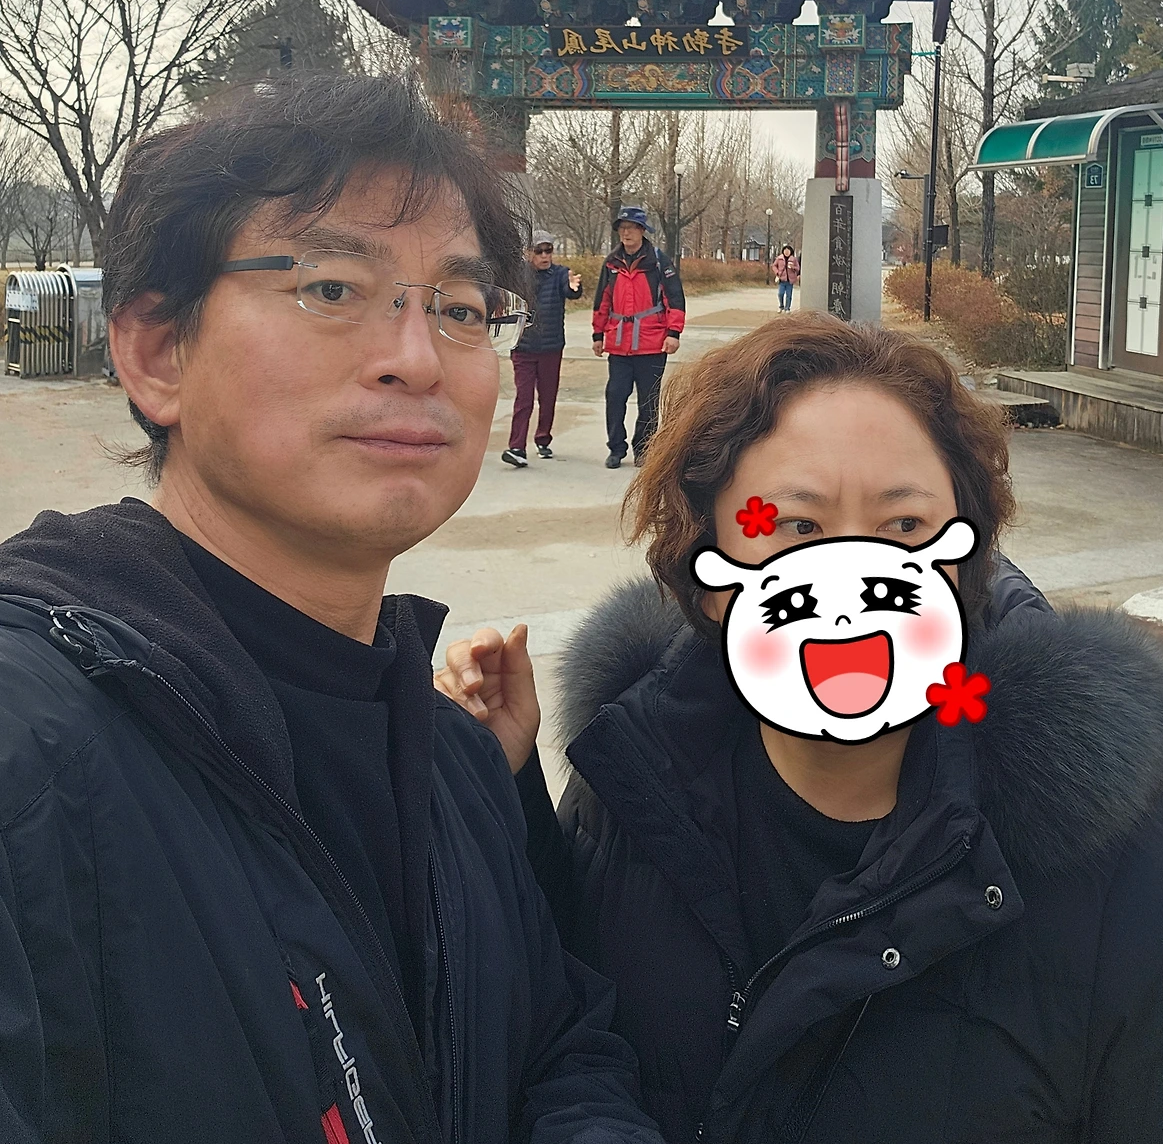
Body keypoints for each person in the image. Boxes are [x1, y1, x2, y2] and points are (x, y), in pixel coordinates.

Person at [0, 76, 668, 1144]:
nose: (415, 357)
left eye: (459, 308)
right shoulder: (33, 759)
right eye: (331, 287)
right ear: (157, 351)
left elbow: (556, 1047)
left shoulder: (456, 764)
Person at [437, 314, 1163, 1144]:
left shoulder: (1138, 874)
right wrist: (508, 796)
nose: (848, 589)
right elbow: (565, 1020)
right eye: (796, 527)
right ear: (709, 569)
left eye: (904, 527)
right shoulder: (638, 774)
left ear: (965, 556)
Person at [592, 206, 685, 470]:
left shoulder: (658, 261)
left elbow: (675, 298)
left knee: (648, 401)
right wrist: (598, 334)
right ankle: (616, 447)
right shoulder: (611, 263)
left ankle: (643, 448)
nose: (626, 233)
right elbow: (602, 300)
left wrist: (673, 333)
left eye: (631, 228)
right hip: (619, 344)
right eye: (622, 228)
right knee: (615, 396)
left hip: (651, 343)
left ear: (642, 231)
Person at [503, 230, 583, 467]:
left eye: (549, 250)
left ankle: (543, 439)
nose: (545, 255)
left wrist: (574, 287)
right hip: (523, 348)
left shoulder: (560, 274)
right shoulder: (517, 276)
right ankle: (517, 447)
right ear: (528, 253)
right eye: (539, 251)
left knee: (547, 398)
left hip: (551, 348)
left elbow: (571, 291)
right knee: (524, 399)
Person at [772, 243, 799, 311]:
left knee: (788, 295)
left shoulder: (793, 259)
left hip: (790, 280)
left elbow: (798, 268)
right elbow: (774, 266)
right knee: (780, 294)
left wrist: (793, 267)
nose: (786, 252)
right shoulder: (779, 258)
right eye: (785, 250)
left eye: (788, 251)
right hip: (782, 279)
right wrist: (777, 272)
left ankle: (787, 308)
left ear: (791, 251)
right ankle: (781, 306)